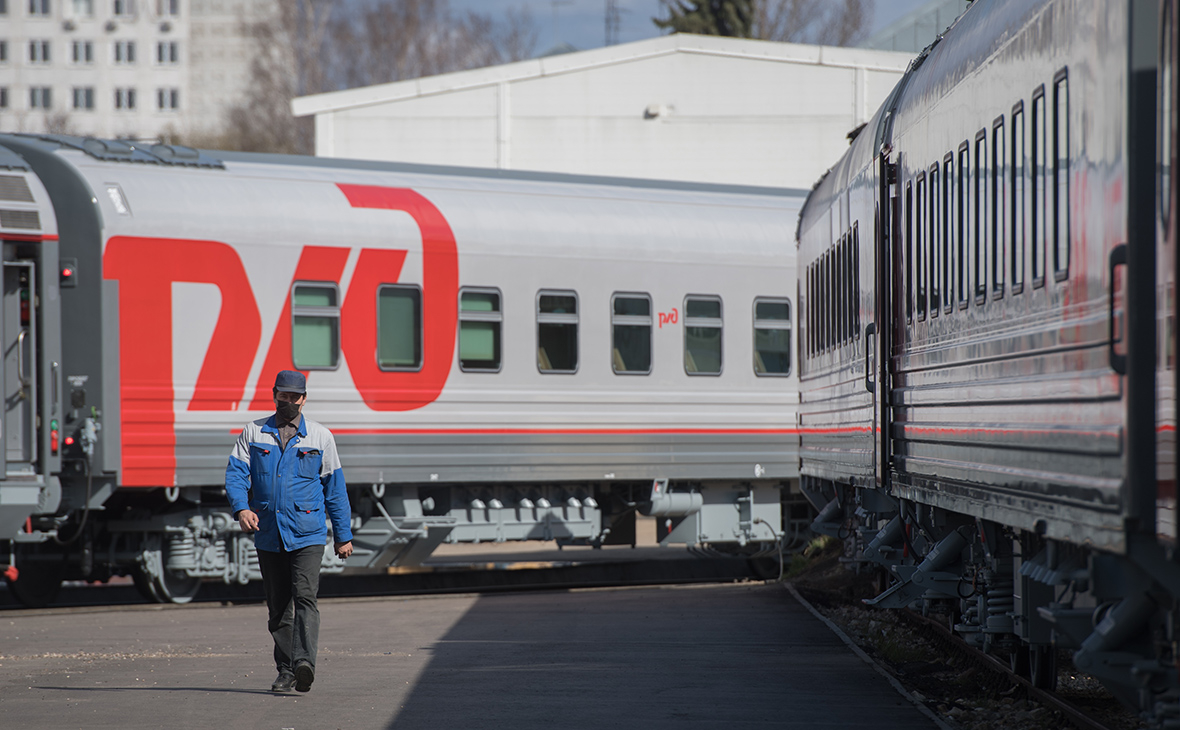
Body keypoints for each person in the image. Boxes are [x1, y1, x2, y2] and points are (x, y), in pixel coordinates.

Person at [224, 370, 353, 693]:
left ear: (304, 399)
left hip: (307, 532)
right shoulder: (254, 432)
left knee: (305, 597)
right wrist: (242, 508)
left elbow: (335, 490)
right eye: (284, 396)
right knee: (278, 605)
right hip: (269, 531)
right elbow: (236, 475)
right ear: (275, 395)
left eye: (295, 397)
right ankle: (286, 671)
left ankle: (303, 663)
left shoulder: (320, 437)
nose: (289, 402)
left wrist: (343, 535)